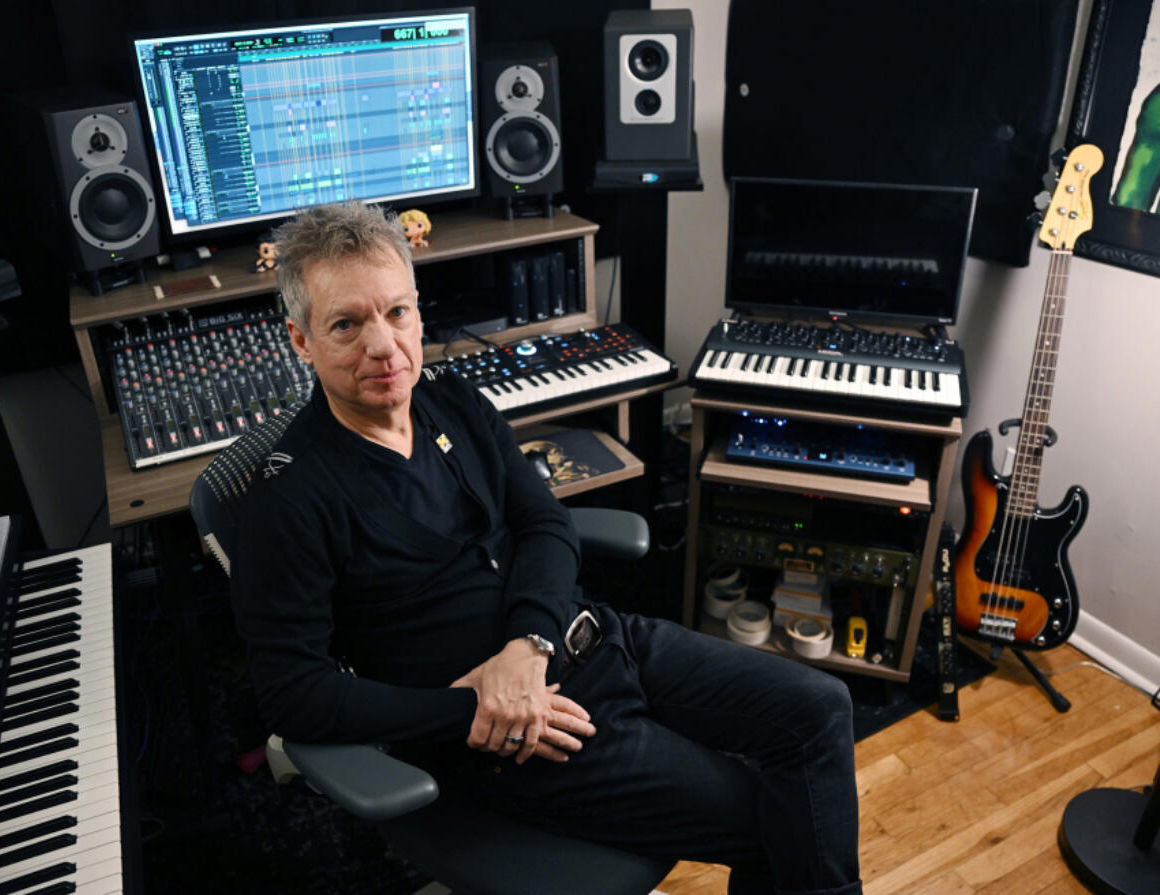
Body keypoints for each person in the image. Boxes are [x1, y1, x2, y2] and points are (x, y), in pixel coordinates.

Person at [230, 201, 863, 895]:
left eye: (398, 313)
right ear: (300, 340)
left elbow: (547, 525)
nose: (384, 345)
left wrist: (526, 644)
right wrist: (472, 710)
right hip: (517, 737)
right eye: (347, 324)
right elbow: (293, 696)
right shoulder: (286, 501)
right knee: (784, 815)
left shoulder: (453, 402)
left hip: (596, 639)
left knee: (820, 707)